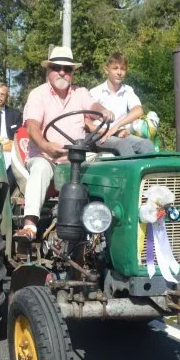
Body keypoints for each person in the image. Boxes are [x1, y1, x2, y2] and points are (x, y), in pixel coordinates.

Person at [16, 46, 115, 242]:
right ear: (48, 70)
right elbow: (32, 126)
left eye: (67, 69)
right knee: (41, 168)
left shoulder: (80, 93)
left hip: (77, 156)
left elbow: (92, 106)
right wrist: (46, 146)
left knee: (110, 161)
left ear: (72, 73)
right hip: (47, 157)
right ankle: (30, 225)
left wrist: (103, 110)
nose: (62, 72)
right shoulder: (38, 94)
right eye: (57, 67)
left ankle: (110, 221)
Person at [89, 52, 156, 156]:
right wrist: (105, 131)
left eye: (123, 69)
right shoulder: (95, 92)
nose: (119, 72)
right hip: (99, 135)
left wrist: (117, 127)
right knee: (123, 145)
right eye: (115, 68)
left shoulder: (128, 90)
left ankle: (149, 171)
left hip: (120, 133)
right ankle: (132, 171)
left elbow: (138, 110)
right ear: (106, 70)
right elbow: (85, 121)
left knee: (147, 145)